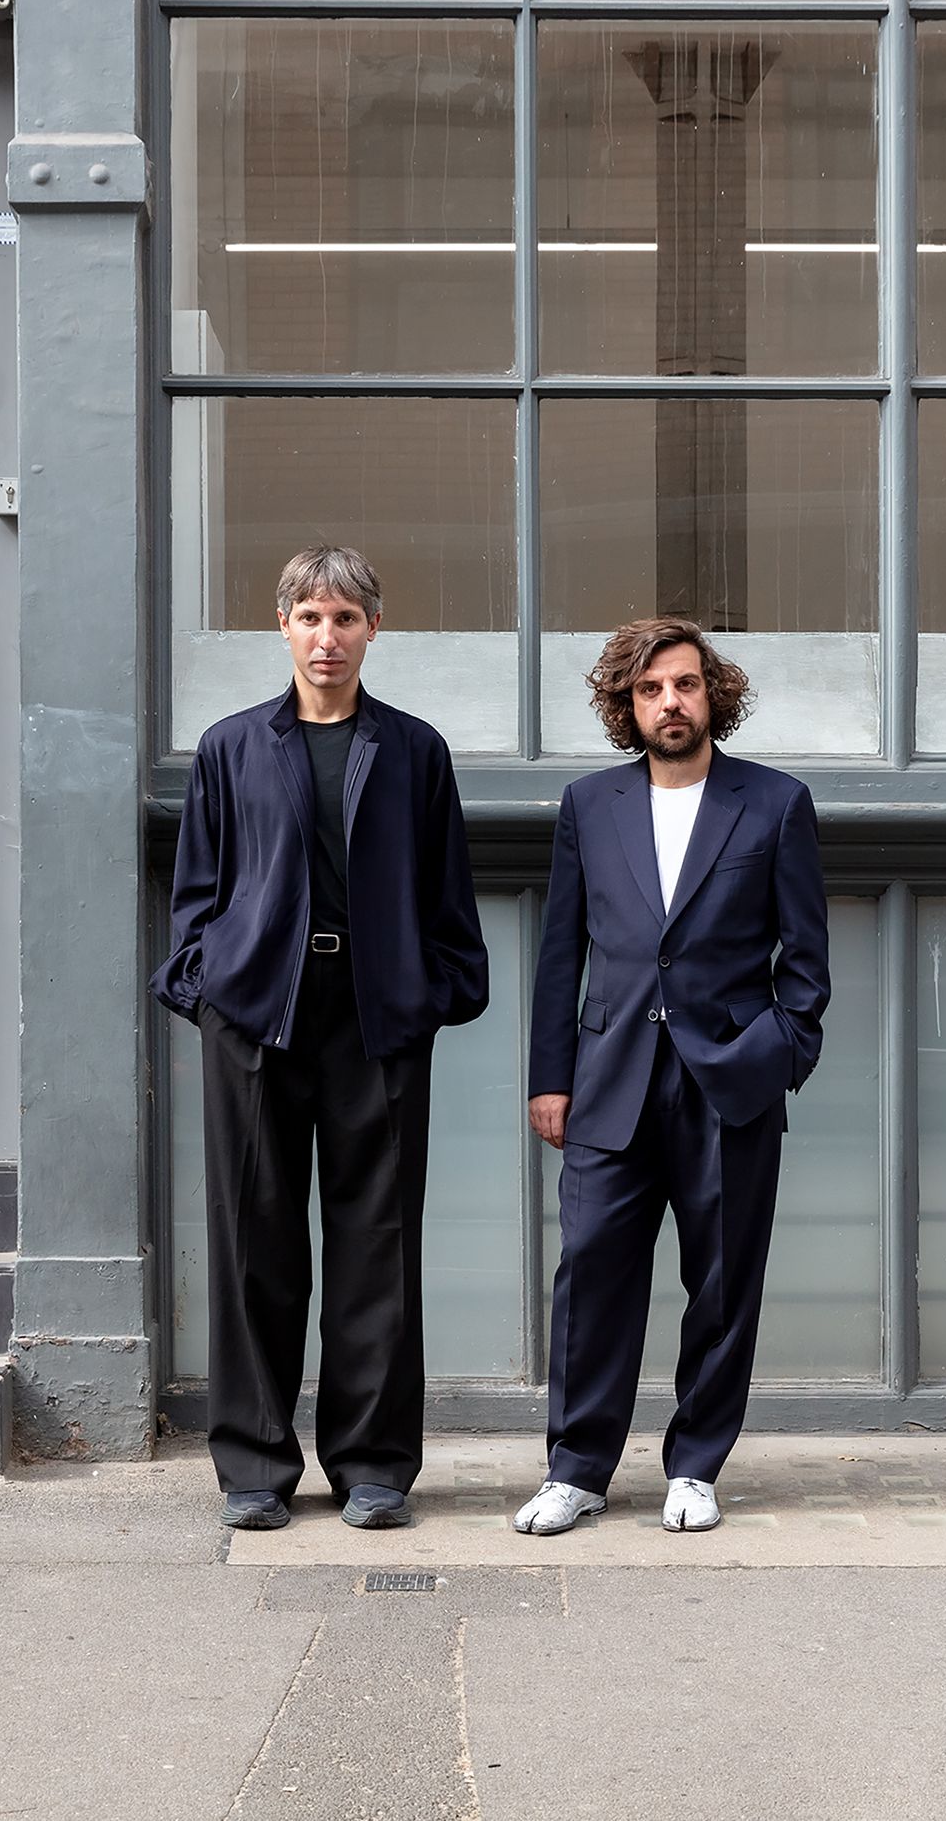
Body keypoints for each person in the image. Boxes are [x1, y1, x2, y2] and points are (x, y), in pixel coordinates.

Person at [152, 545, 489, 1533]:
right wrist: (208, 986)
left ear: (372, 629)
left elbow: (445, 893)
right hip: (257, 1016)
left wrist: (433, 995)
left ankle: (373, 1463)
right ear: (283, 626)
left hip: (376, 1018)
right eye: (308, 616)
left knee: (375, 1248)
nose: (326, 636)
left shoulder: (413, 751)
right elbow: (197, 894)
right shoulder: (231, 747)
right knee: (252, 1243)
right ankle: (253, 1463)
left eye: (344, 618)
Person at [514, 618, 828, 1537]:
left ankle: (695, 1464)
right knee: (591, 1277)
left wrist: (774, 1059)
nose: (670, 702)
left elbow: (804, 965)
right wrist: (549, 1078)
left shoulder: (772, 804)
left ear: (712, 693)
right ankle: (576, 1468)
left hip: (727, 1084)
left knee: (724, 1283)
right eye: (650, 690)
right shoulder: (589, 803)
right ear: (627, 703)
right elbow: (558, 951)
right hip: (608, 1080)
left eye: (685, 685)